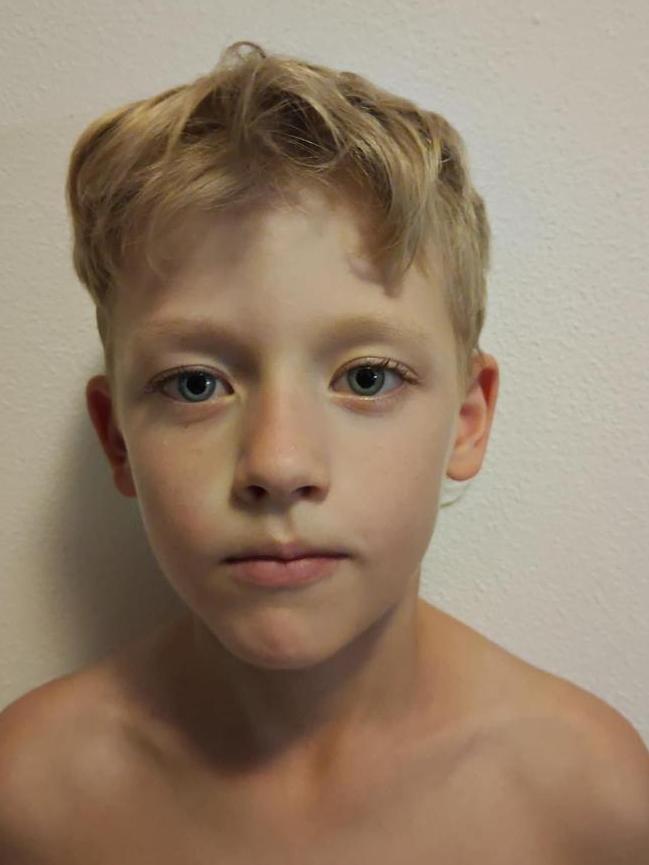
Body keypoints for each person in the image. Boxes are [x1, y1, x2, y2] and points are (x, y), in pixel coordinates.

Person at [1, 40, 648, 864]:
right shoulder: (28, 794)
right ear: (117, 437)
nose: (278, 464)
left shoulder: (590, 800)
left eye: (366, 376)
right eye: (195, 384)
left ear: (467, 420)